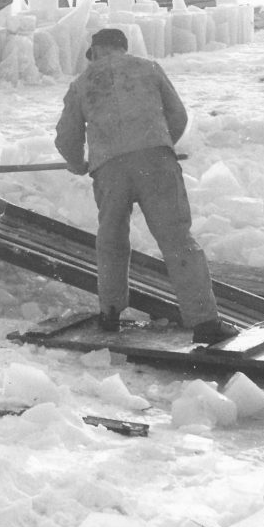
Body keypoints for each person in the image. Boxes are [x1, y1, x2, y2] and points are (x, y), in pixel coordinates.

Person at [55, 28, 240, 344]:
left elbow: (67, 136)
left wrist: (77, 162)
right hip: (156, 164)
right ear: (123, 48)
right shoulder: (149, 69)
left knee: (112, 241)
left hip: (109, 169)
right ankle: (205, 322)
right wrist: (160, 143)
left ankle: (110, 313)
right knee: (177, 240)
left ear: (95, 51)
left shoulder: (82, 83)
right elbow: (178, 116)